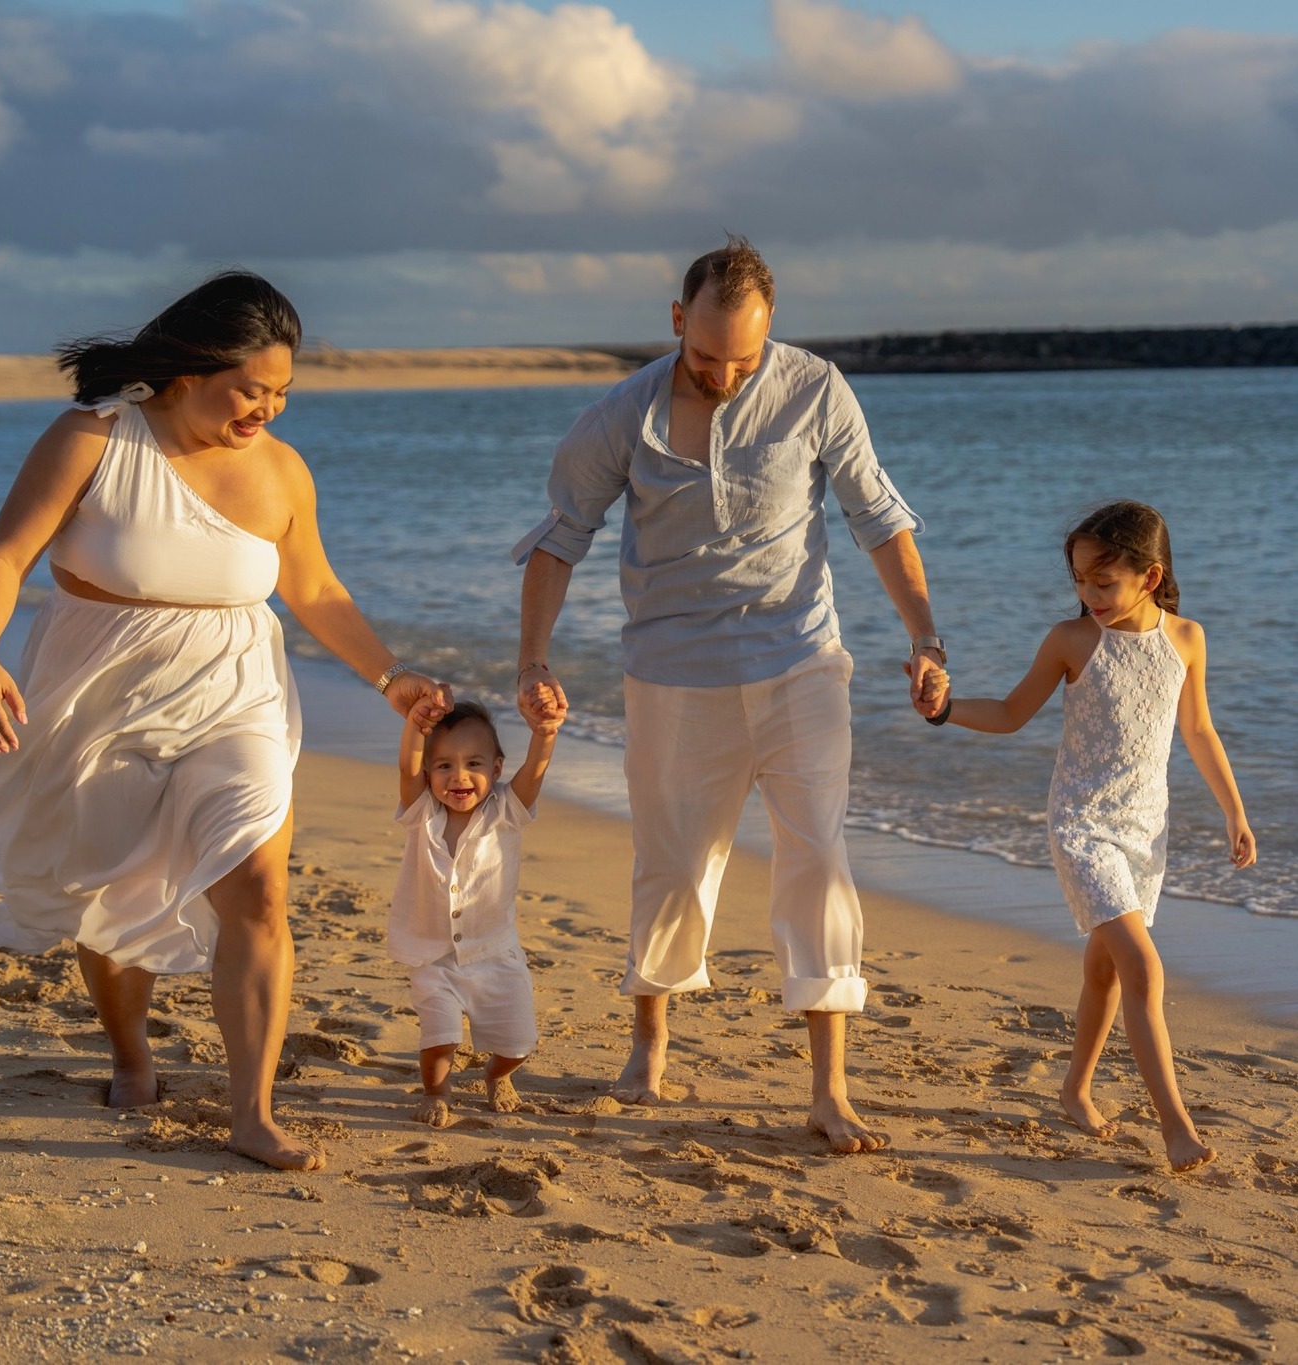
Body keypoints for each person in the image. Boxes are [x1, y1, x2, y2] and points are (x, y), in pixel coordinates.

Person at [0, 270, 450, 1172]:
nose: (267, 408)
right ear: (185, 370)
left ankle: (251, 1111)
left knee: (258, 885)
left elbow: (315, 589)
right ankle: (132, 1054)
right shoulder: (92, 440)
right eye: (251, 388)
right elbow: (3, 554)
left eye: (282, 392)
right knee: (110, 889)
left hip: (237, 691)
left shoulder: (282, 469)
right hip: (100, 691)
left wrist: (388, 676)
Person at [512, 236, 947, 1153]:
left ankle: (829, 1087)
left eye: (741, 358)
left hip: (799, 660)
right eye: (706, 356)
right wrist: (531, 660)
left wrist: (923, 636)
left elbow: (877, 517)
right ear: (677, 321)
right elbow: (559, 539)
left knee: (817, 858)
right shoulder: (620, 415)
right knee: (672, 866)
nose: (722, 374)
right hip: (672, 674)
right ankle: (649, 1039)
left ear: (769, 331)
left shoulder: (816, 389)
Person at [928, 500, 1255, 1172]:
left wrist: (1233, 809)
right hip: (1080, 824)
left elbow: (1196, 729)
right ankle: (1176, 1126)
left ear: (1148, 574)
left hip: (1146, 826)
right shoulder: (1071, 641)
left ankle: (1073, 1088)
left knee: (1104, 970)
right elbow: (1013, 713)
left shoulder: (1185, 639)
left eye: (1101, 582)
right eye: (1078, 579)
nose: (1088, 594)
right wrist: (944, 710)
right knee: (1141, 965)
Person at [389, 696, 565, 1126]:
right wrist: (416, 724)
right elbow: (407, 767)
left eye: (474, 763)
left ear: (497, 769)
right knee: (440, 1037)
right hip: (433, 956)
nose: (459, 776)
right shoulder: (422, 813)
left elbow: (535, 773)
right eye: (444, 765)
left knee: (517, 1043)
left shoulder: (507, 811)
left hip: (495, 953)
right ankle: (437, 1091)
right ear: (429, 772)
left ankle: (496, 1075)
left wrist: (544, 735)